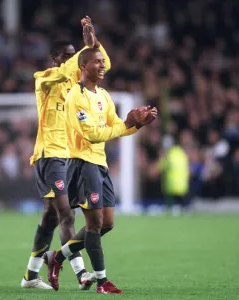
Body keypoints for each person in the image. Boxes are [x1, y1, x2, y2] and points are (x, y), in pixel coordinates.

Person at [45, 48, 158, 294]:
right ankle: (102, 282)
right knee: (94, 224)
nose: (102, 65)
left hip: (100, 164)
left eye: (103, 61)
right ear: (83, 66)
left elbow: (116, 126)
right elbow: (92, 134)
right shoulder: (76, 95)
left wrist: (136, 125)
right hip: (83, 164)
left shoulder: (103, 95)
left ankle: (56, 258)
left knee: (107, 224)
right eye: (97, 62)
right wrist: (127, 124)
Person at [21, 17, 111, 290]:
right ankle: (81, 273)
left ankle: (30, 276)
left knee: (50, 216)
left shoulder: (76, 81)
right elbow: (72, 67)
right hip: (50, 155)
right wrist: (84, 51)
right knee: (67, 214)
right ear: (54, 58)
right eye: (68, 56)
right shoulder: (45, 79)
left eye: (75, 55)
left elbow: (101, 62)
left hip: (69, 156)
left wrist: (94, 43)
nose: (74, 59)